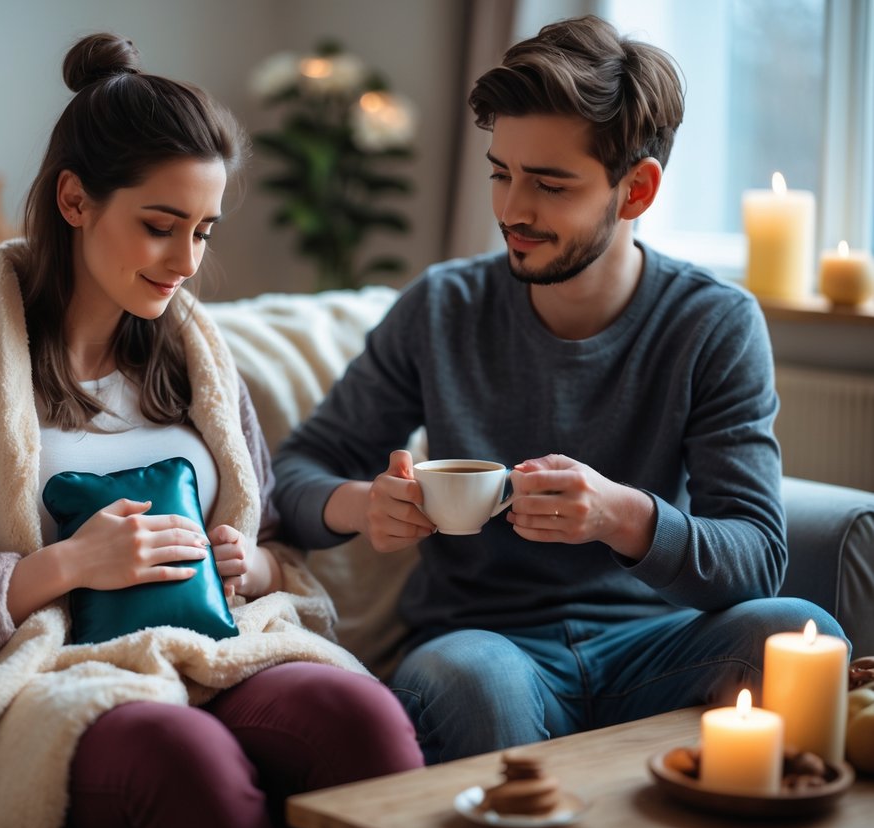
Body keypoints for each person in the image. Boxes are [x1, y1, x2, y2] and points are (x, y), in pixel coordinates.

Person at [0, 32, 421, 828]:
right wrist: (65, 566)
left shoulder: (195, 356)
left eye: (202, 230)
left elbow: (272, 542)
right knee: (188, 764)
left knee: (364, 722)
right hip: (57, 668)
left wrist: (257, 565)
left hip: (224, 646)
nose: (185, 261)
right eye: (160, 225)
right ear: (74, 201)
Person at [271, 15, 848, 764]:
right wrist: (359, 504)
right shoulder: (443, 306)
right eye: (499, 172)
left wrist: (623, 516)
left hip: (657, 645)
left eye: (548, 183)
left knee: (798, 632)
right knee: (463, 678)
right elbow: (293, 474)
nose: (511, 209)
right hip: (482, 649)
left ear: (634, 190)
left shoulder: (712, 323)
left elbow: (754, 557)